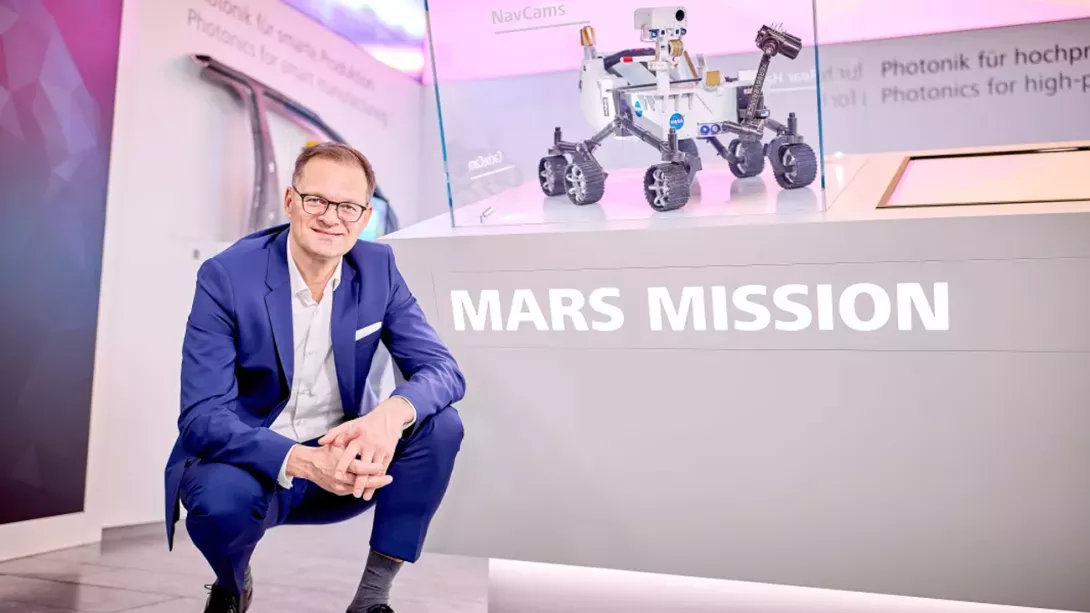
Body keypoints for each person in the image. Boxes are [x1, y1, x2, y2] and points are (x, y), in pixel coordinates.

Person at [162, 142, 466, 613]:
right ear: (290, 202)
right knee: (218, 506)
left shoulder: (378, 269)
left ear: (365, 217)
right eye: (316, 201)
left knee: (439, 424)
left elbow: (443, 370)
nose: (331, 218)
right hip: (251, 463)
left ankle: (371, 600)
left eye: (348, 206)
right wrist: (300, 461)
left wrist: (389, 415)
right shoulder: (227, 275)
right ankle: (232, 581)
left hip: (343, 464)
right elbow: (202, 418)